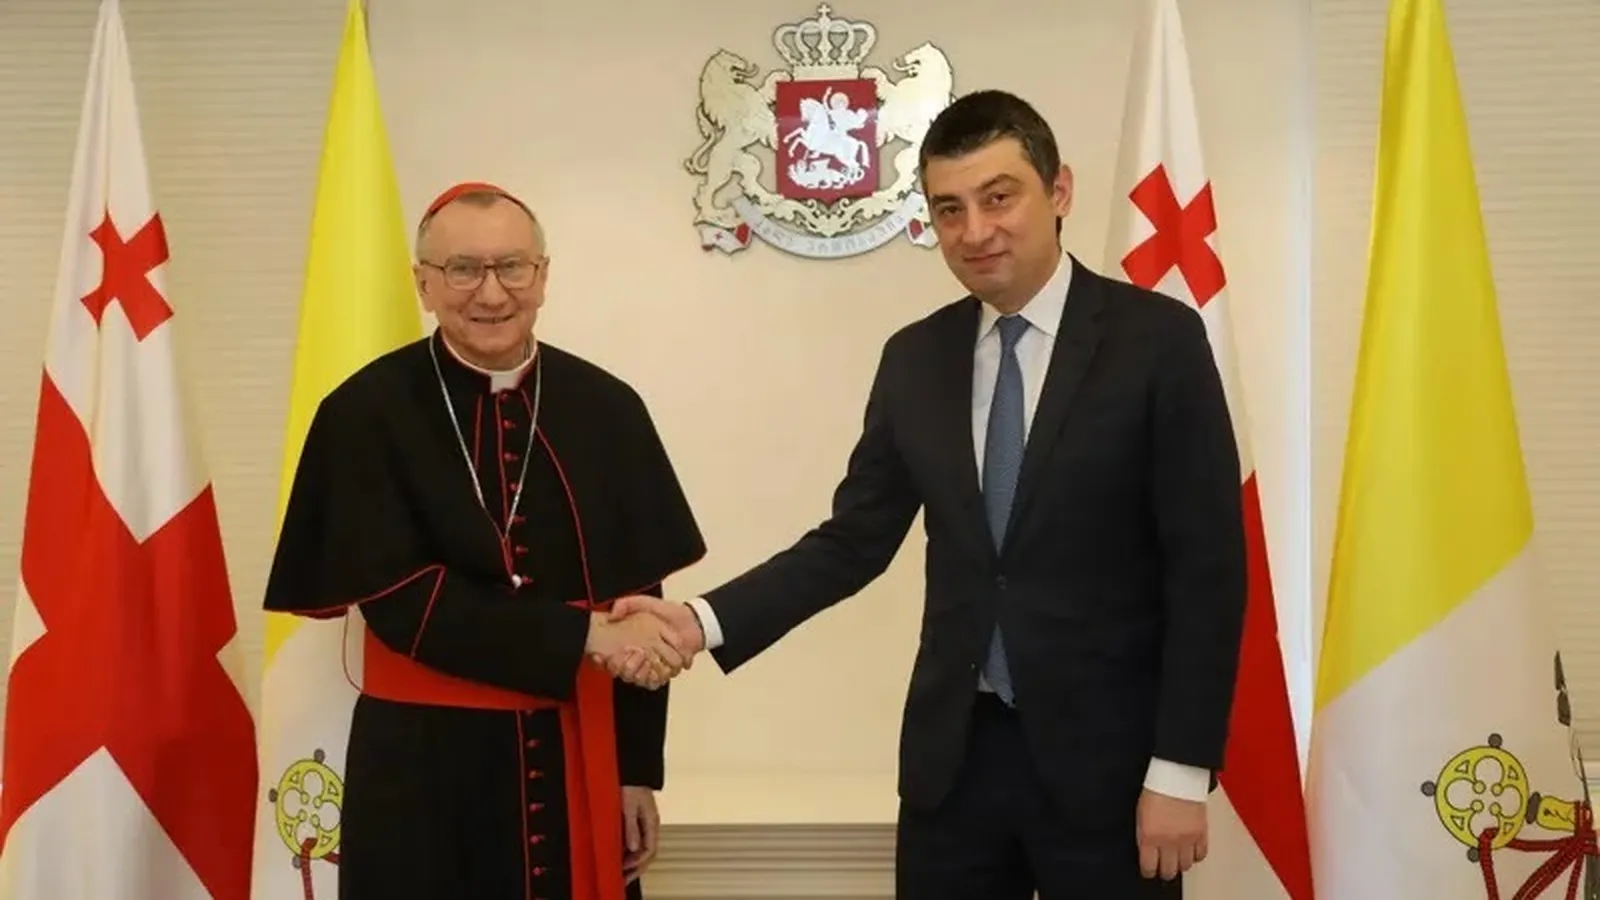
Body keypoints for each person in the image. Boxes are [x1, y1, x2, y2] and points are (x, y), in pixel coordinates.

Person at [609, 90, 1248, 899]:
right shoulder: (915, 358)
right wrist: (699, 622)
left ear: (1059, 191)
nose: (974, 231)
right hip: (955, 771)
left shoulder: (1157, 341)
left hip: (1113, 774)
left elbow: (1207, 570)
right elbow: (853, 541)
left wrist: (1181, 767)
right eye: (949, 209)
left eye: (998, 197)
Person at [262, 181, 706, 900]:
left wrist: (635, 772)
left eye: (512, 267)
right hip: (421, 771)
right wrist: (583, 636)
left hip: (576, 763)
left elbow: (638, 597)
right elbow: (402, 605)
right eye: (463, 270)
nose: (492, 293)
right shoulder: (363, 413)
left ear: (543, 276)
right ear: (424, 284)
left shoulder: (606, 409)